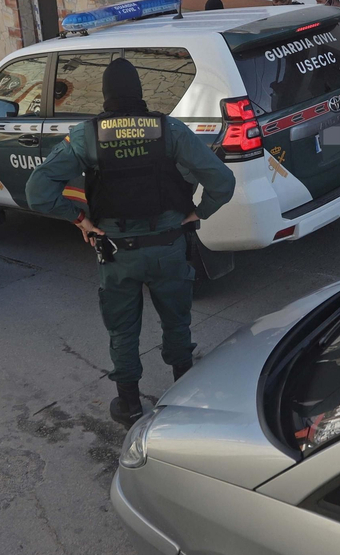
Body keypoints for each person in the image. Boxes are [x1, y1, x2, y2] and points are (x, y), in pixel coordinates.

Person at [26, 59, 236, 426]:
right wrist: (199, 212)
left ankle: (130, 405)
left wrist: (80, 219)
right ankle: (184, 397)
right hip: (168, 246)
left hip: (117, 253)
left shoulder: (87, 136)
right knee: (177, 323)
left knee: (123, 330)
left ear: (105, 95)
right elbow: (223, 181)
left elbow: (37, 192)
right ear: (139, 92)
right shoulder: (170, 129)